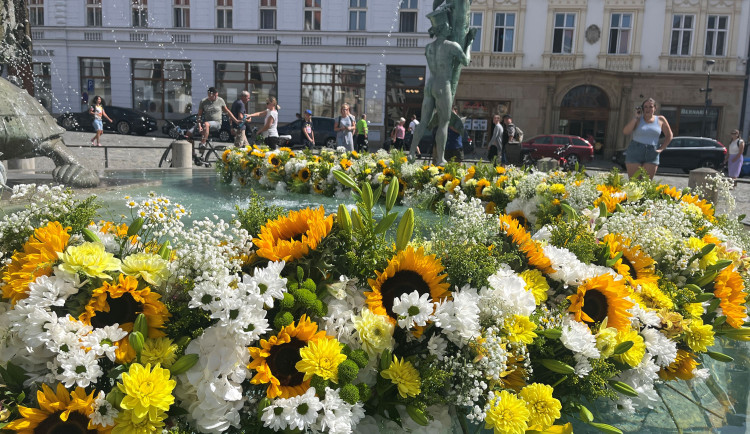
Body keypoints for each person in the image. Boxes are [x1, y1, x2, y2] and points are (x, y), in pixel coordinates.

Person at [408, 7, 472, 165]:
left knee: (423, 122)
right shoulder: (452, 46)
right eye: (449, 25)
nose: (451, 27)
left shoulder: (429, 48)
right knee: (444, 122)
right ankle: (441, 158)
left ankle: (410, 153)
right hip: (443, 85)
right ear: (446, 27)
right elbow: (466, 61)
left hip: (430, 84)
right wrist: (469, 43)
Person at [622, 97, 673, 179]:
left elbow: (669, 135)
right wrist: (635, 118)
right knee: (634, 182)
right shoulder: (638, 119)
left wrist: (661, 148)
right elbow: (625, 132)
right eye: (645, 107)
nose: (648, 109)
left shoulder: (661, 119)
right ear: (642, 108)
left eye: (651, 107)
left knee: (646, 183)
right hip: (635, 150)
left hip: (652, 151)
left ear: (655, 108)